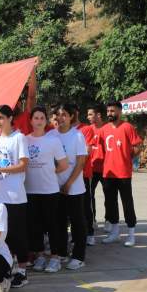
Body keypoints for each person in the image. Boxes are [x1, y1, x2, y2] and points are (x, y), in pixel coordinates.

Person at [24, 106, 68, 272]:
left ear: (46, 121)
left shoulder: (53, 140)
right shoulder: (24, 140)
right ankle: (40, 256)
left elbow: (63, 165)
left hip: (49, 190)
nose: (39, 121)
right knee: (35, 226)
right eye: (36, 118)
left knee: (52, 226)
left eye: (42, 118)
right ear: (31, 121)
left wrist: (50, 172)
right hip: (30, 191)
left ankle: (55, 258)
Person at [0, 104, 29, 288]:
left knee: (18, 235)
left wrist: (0, 169)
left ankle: (22, 270)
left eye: (1, 118)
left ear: (10, 118)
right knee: (3, 236)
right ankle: (9, 267)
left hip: (15, 196)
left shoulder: (19, 138)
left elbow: (23, 165)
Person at [98, 101, 142, 247]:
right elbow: (100, 149)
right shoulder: (103, 129)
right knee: (110, 204)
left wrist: (127, 158)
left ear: (119, 112)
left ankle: (131, 234)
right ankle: (115, 233)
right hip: (108, 173)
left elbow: (137, 146)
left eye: (112, 111)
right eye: (108, 111)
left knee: (127, 203)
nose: (109, 113)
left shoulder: (127, 127)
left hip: (123, 173)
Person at [55, 103, 88, 270]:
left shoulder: (77, 136)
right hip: (55, 187)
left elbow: (81, 162)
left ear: (71, 117)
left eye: (64, 115)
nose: (61, 118)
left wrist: (68, 183)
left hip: (74, 187)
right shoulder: (51, 135)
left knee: (77, 222)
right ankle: (61, 253)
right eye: (58, 115)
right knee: (59, 222)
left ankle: (78, 256)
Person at [72, 104, 96, 246]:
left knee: (86, 206)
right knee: (72, 210)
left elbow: (86, 152)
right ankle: (76, 235)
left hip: (83, 174)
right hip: (66, 175)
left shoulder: (86, 129)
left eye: (72, 112)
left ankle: (90, 232)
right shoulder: (60, 131)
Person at [86, 105, 105, 231]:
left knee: (109, 196)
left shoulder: (107, 128)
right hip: (92, 168)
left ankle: (109, 219)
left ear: (98, 115)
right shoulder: (88, 129)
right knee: (89, 195)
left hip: (106, 168)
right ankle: (92, 220)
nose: (88, 117)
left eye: (90, 114)